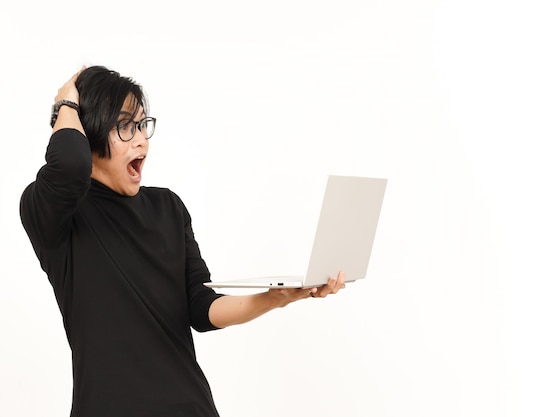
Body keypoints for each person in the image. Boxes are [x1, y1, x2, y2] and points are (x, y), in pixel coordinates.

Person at [19, 65, 345, 417]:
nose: (142, 139)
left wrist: (275, 298)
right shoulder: (54, 215)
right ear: (90, 132)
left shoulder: (168, 208)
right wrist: (66, 102)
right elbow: (69, 164)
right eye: (125, 126)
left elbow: (202, 308)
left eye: (143, 125)